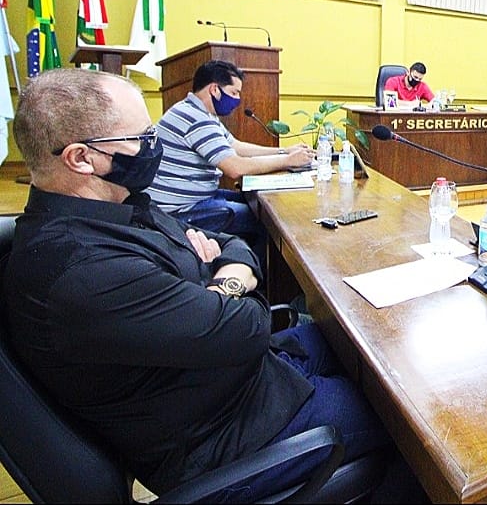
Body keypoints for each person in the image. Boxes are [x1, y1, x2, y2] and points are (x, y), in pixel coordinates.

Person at [4, 69, 411, 502]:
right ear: (81, 158)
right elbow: (246, 325)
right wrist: (224, 281)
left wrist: (217, 282)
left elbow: (230, 245)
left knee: (382, 341)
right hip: (233, 434)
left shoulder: (119, 203)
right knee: (412, 426)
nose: (153, 146)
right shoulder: (80, 272)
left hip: (248, 374)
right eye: (142, 138)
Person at [147, 60, 315, 252]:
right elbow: (235, 168)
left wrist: (284, 151)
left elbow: (235, 146)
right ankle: (261, 279)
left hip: (195, 200)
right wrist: (287, 161)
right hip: (178, 212)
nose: (237, 99)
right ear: (214, 89)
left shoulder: (200, 112)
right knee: (267, 223)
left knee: (255, 204)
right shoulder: (196, 119)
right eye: (234, 93)